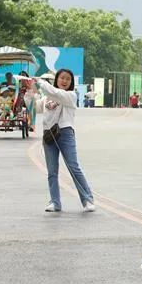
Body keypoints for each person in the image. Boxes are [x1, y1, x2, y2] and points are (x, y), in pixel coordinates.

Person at [34, 69, 96, 213]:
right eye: (62, 78)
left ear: (71, 82)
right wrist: (29, 93)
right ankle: (55, 202)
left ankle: (87, 199)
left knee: (73, 167)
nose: (64, 81)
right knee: (52, 171)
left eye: (68, 79)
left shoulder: (70, 95)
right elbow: (35, 108)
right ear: (56, 79)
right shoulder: (47, 97)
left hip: (65, 133)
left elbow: (56, 94)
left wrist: (40, 82)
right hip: (49, 135)